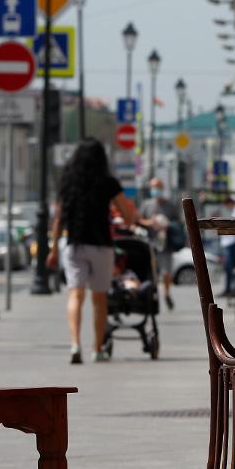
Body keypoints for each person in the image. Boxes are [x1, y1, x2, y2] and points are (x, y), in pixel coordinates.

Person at [46, 138, 138, 364]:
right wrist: (129, 221)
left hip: (74, 245)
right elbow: (126, 213)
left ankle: (75, 343)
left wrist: (53, 249)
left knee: (75, 294)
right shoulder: (107, 183)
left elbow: (58, 218)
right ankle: (97, 348)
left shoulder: (68, 182)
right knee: (100, 299)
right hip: (101, 246)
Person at [138, 177, 184, 310]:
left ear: (162, 188)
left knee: (166, 271)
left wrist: (167, 225)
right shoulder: (147, 204)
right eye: (153, 187)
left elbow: (178, 223)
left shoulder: (170, 205)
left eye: (157, 187)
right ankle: (153, 294)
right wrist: (150, 223)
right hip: (150, 242)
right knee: (152, 271)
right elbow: (139, 220)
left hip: (166, 243)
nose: (155, 190)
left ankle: (166, 293)